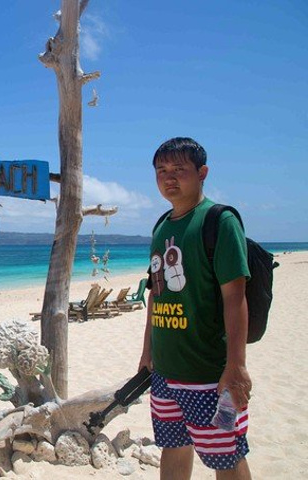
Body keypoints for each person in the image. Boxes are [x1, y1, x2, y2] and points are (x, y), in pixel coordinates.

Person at [138, 137, 252, 479]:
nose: (169, 178)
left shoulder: (220, 220)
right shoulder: (161, 226)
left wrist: (236, 365)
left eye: (179, 170)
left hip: (208, 376)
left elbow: (235, 297)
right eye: (161, 171)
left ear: (202, 173)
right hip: (164, 373)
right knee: (172, 448)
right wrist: (147, 352)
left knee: (225, 457)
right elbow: (156, 294)